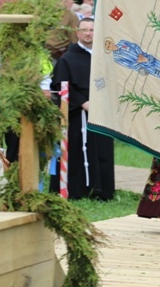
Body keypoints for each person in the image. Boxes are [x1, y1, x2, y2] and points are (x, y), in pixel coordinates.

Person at [50, 18, 115, 200]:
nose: (88, 33)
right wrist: (83, 103)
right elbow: (62, 85)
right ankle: (80, 190)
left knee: (102, 150)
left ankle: (103, 190)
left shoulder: (104, 56)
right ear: (77, 33)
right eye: (84, 30)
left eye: (92, 30)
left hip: (102, 111)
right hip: (78, 114)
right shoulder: (67, 59)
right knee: (80, 151)